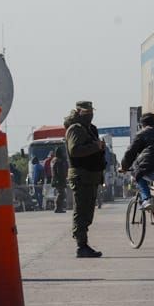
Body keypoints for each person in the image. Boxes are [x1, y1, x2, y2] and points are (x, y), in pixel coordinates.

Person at [65, 100, 106, 258]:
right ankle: (81, 245)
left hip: (92, 176)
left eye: (91, 112)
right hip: (81, 176)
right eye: (86, 112)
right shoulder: (75, 129)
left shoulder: (91, 129)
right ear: (78, 112)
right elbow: (74, 150)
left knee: (88, 212)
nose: (89, 114)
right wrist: (95, 147)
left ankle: (83, 243)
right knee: (81, 211)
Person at [51, 146, 69, 213]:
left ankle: (58, 208)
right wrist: (64, 177)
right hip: (59, 180)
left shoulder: (54, 160)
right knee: (61, 194)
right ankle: (58, 208)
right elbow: (60, 171)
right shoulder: (59, 161)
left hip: (57, 179)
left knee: (61, 193)